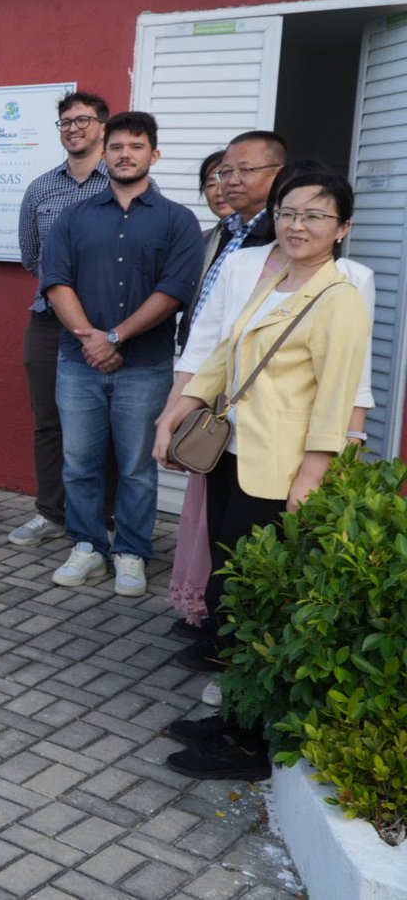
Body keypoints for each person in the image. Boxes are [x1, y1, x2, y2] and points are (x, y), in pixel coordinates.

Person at [155, 169, 370, 781]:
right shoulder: (272, 278)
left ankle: (247, 743)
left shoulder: (341, 298)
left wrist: (311, 477)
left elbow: (336, 399)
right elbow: (224, 354)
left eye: (315, 215)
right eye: (289, 212)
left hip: (277, 471)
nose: (297, 225)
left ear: (342, 229)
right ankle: (235, 718)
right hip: (232, 455)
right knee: (228, 591)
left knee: (250, 601)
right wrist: (179, 411)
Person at [39, 111, 203, 598]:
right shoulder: (75, 217)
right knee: (80, 462)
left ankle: (131, 551)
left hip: (146, 366)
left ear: (154, 154)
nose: (124, 154)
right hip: (78, 361)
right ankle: (88, 545)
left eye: (135, 147)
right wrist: (91, 337)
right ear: (104, 153)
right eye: (116, 147)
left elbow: (174, 290)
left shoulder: (178, 220)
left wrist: (115, 338)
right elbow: (55, 280)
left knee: (135, 465)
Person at [11, 92, 112, 546]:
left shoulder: (122, 183)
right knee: (48, 422)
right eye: (66, 122)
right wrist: (65, 296)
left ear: (102, 128)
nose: (74, 128)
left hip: (108, 327)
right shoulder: (40, 189)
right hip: (50, 323)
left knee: (106, 423)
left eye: (83, 120)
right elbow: (32, 256)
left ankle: (104, 519)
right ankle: (50, 512)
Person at [177, 131, 284, 349]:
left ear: (279, 174)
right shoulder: (226, 232)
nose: (232, 181)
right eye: (225, 172)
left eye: (246, 170)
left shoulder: (285, 235)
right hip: (202, 359)